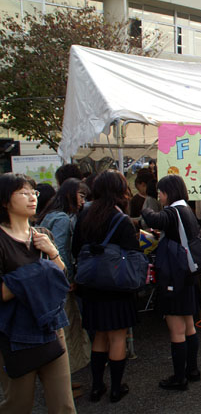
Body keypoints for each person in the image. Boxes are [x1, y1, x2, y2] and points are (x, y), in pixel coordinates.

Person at [0, 173, 75, 413]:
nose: (32, 198)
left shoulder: (43, 235)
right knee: (17, 404)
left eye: (34, 192)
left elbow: (61, 278)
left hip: (50, 326)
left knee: (63, 404)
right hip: (15, 333)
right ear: (4, 200)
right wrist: (41, 270)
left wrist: (53, 253)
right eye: (23, 193)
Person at [72, 170, 139, 403]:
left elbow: (75, 249)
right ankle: (116, 388)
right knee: (118, 336)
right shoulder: (121, 219)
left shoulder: (85, 214)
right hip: (116, 284)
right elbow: (133, 251)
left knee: (99, 335)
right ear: (120, 190)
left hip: (91, 284)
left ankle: (97, 386)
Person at [141, 175, 201, 391]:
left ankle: (179, 378)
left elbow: (152, 219)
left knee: (176, 330)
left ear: (168, 192)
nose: (159, 196)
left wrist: (145, 206)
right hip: (188, 274)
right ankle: (192, 370)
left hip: (174, 276)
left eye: (160, 192)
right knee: (189, 326)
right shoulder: (186, 210)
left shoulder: (173, 212)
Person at [37, 178, 91, 375]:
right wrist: (68, 278)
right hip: (59, 279)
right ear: (70, 194)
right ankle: (66, 374)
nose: (83, 201)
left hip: (46, 277)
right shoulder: (62, 219)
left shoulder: (49, 215)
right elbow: (61, 251)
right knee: (67, 326)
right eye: (81, 195)